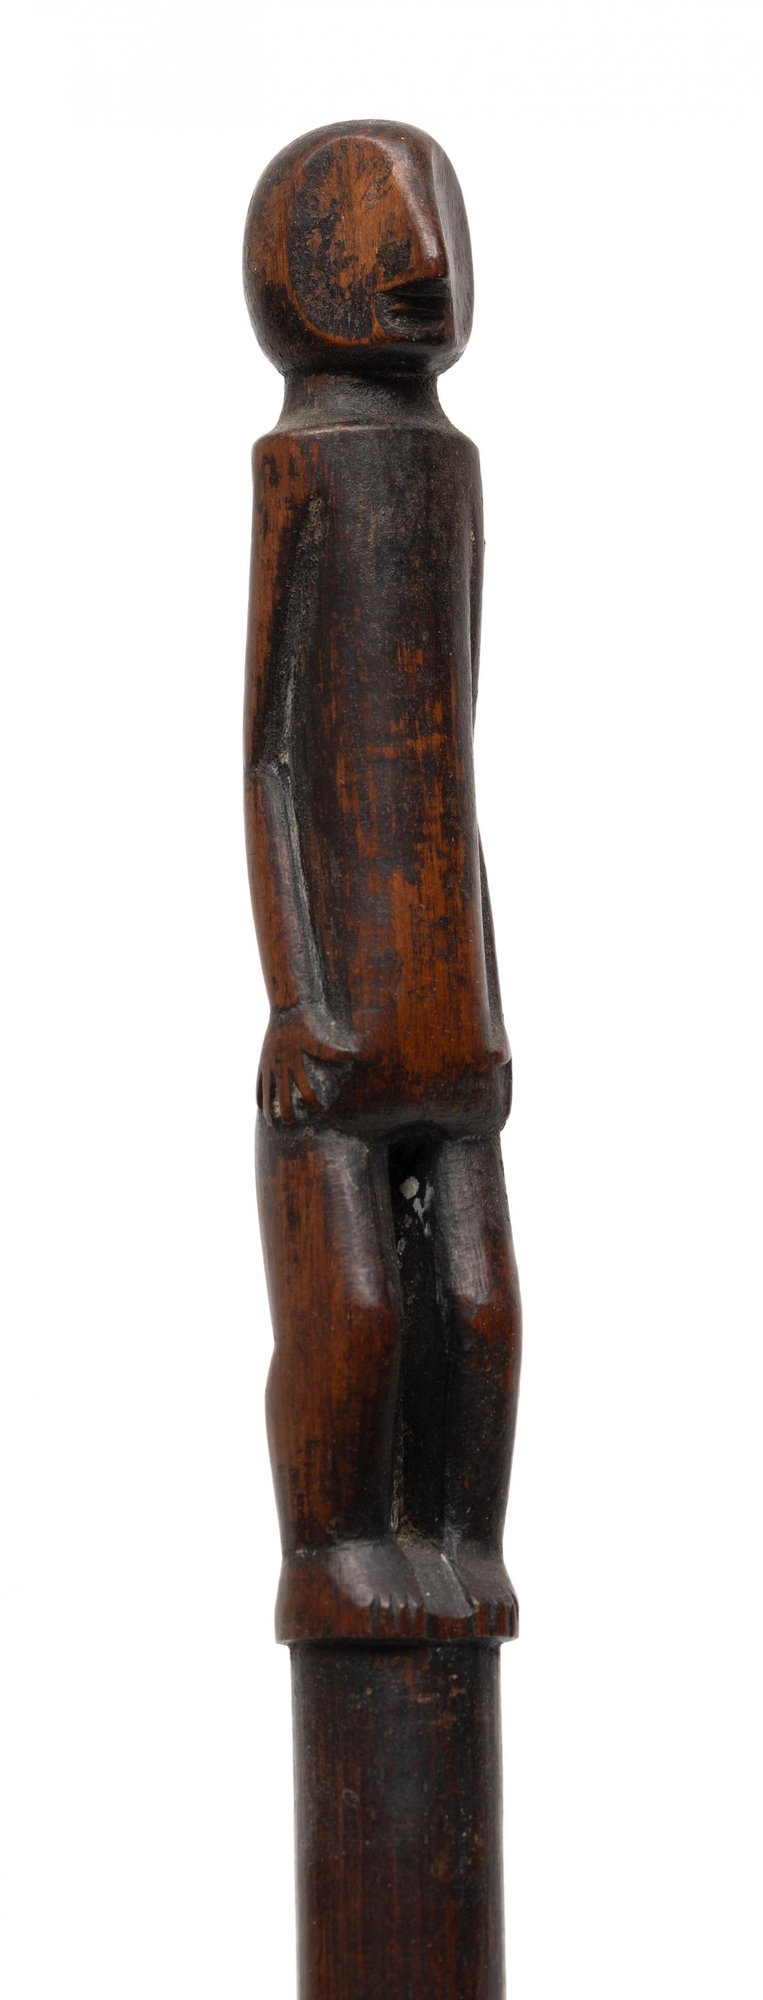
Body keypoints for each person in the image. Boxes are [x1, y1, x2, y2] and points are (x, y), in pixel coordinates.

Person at [243, 122, 521, 1642]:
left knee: (477, 1311)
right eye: (378, 224)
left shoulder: (450, 472)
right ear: (305, 263)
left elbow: (455, 762)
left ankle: (462, 1545)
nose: (421, 256)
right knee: (350, 1312)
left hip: (448, 1012)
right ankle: (335, 1550)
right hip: (342, 1015)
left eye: (431, 223)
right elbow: (273, 757)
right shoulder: (304, 469)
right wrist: (300, 996)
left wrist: (487, 993)